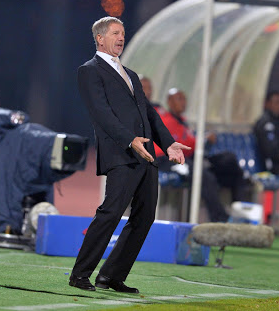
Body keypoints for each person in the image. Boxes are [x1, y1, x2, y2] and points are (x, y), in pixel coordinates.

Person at [69, 16, 190, 293]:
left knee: (145, 216)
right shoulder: (89, 70)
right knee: (111, 212)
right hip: (122, 153)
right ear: (100, 38)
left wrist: (168, 143)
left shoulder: (131, 74)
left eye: (123, 33)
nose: (121, 37)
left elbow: (149, 114)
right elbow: (100, 113)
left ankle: (111, 276)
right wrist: (128, 140)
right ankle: (80, 273)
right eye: (115, 33)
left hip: (146, 155)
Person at [154, 88, 250, 222]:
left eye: (184, 99)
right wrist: (202, 141)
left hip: (190, 157)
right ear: (169, 102)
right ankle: (220, 219)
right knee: (203, 175)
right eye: (179, 99)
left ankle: (241, 212)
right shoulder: (165, 120)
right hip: (168, 160)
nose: (183, 102)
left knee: (230, 163)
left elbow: (191, 144)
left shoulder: (183, 123)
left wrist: (203, 141)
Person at [253, 91, 279, 175]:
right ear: (268, 104)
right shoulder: (265, 123)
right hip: (271, 165)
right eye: (277, 102)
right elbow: (271, 150)